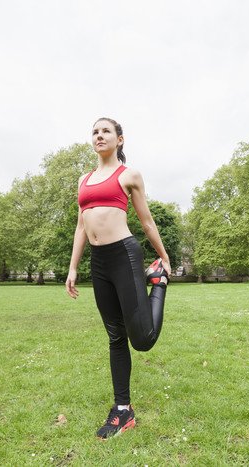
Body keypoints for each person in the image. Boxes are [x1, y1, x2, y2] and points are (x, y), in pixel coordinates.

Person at [66, 117, 171, 440]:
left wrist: (164, 258)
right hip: (100, 262)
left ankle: (158, 284)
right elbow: (82, 226)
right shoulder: (84, 180)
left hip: (125, 256)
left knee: (142, 340)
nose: (99, 136)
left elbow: (147, 220)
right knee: (115, 336)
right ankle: (123, 411)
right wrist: (73, 267)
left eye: (106, 131)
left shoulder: (129, 175)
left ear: (119, 140)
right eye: (95, 132)